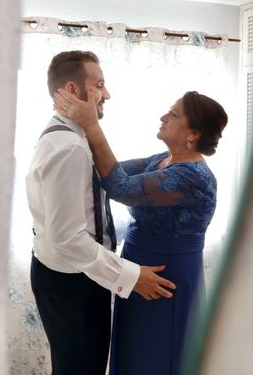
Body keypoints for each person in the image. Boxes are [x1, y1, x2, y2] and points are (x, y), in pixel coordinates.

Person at [54, 87, 228, 375]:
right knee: (134, 355)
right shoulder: (164, 159)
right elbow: (108, 172)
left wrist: (91, 125)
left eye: (172, 115)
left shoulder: (191, 177)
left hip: (165, 277)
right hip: (137, 270)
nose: (163, 117)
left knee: (157, 357)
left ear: (193, 134)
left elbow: (120, 187)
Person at [26, 50, 177, 375]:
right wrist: (131, 277)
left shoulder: (71, 137)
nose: (107, 94)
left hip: (70, 274)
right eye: (100, 85)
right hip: (72, 282)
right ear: (72, 90)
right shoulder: (68, 148)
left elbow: (90, 206)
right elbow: (67, 239)